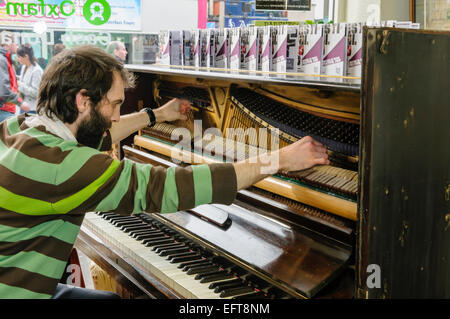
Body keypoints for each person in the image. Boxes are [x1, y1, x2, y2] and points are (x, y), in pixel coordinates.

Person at [0, 45, 329, 299]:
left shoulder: (23, 126)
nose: (116, 117)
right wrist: (280, 160)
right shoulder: (66, 169)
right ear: (83, 100)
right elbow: (170, 185)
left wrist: (156, 115)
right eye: (114, 104)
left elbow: (95, 135)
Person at [0, 31, 29, 122]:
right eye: (15, 43)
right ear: (9, 44)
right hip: (4, 110)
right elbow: (3, 91)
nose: (17, 46)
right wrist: (21, 102)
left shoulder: (6, 59)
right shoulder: (2, 59)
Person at [17, 44, 43, 114]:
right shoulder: (23, 67)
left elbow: (36, 93)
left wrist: (20, 85)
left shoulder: (37, 70)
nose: (17, 59)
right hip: (24, 106)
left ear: (26, 56)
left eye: (19, 56)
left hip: (32, 109)